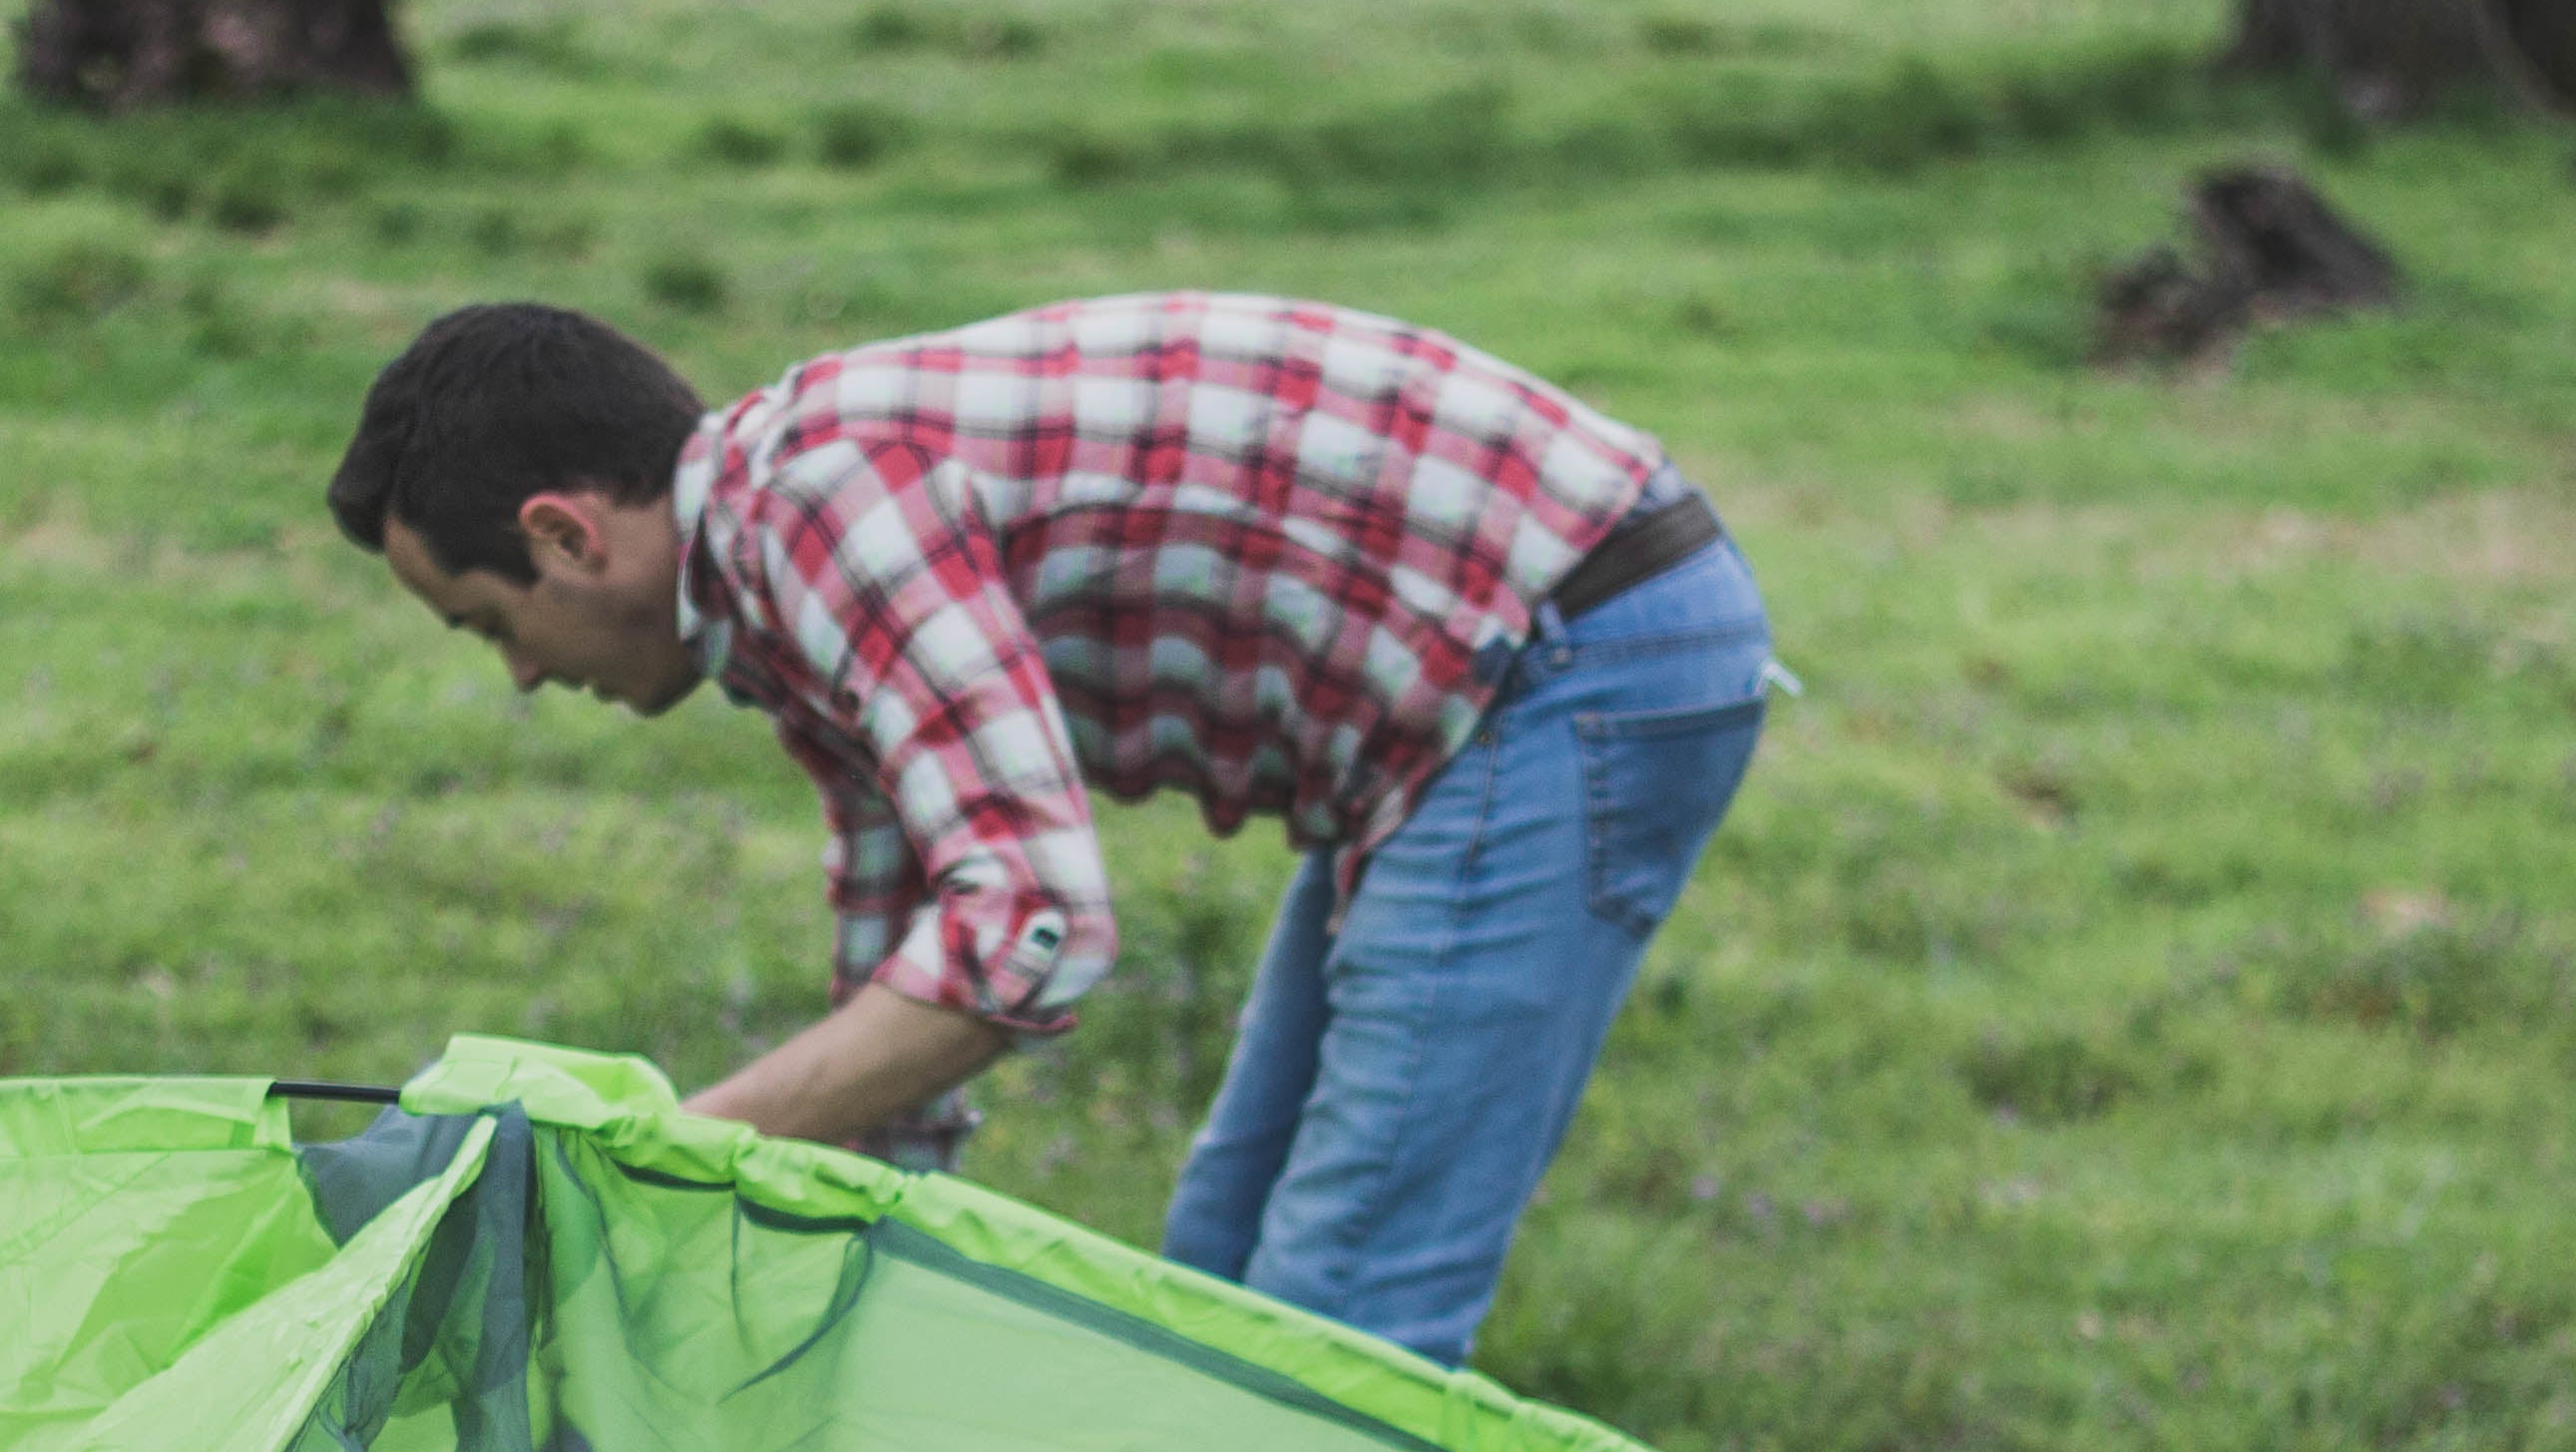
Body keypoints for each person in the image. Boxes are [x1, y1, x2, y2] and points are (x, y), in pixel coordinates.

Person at [324, 292, 1775, 1370]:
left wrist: (651, 1154)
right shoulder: (772, 579)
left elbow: (1028, 933)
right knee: (1219, 1265)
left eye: (489, 622)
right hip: (1462, 701)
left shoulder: (827, 505)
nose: (520, 676)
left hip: (1570, 650)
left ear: (569, 536)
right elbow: (909, 989)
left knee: (1343, 1324)